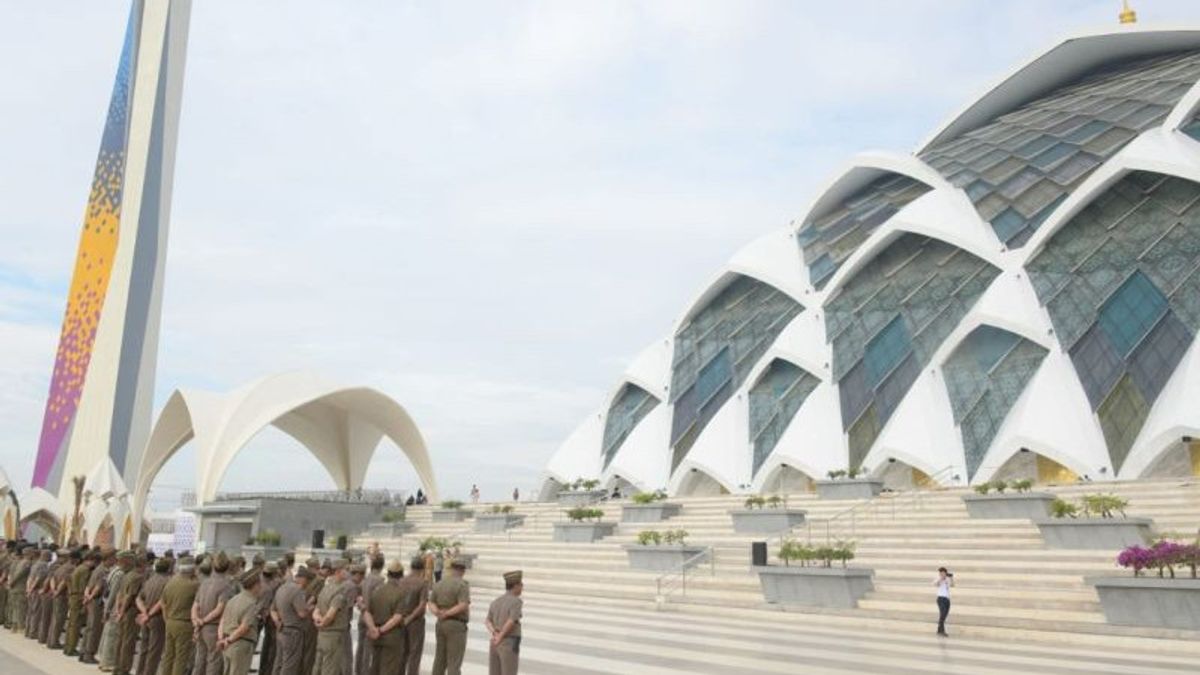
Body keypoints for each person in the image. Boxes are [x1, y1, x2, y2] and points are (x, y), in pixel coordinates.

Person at [362, 559, 405, 675]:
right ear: (401, 575)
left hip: (376, 636)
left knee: (374, 668)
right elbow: (397, 617)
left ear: (388, 574)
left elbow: (366, 612)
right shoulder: (400, 593)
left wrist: (373, 629)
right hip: (391, 635)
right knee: (389, 670)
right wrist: (381, 630)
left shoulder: (377, 590)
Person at [218, 570, 264, 675]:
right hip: (240, 644)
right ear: (255, 585)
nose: (261, 586)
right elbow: (244, 627)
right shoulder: (251, 604)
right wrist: (229, 640)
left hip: (227, 644)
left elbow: (223, 621)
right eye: (259, 583)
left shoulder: (233, 600)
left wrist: (222, 639)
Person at [271, 564, 314, 675]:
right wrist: (310, 608)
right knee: (290, 665)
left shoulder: (282, 588)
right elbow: (302, 614)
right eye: (307, 580)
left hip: (281, 630)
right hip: (293, 632)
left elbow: (273, 610)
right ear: (302, 578)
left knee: (279, 662)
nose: (307, 584)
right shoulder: (297, 590)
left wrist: (277, 621)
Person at [429, 560, 470, 675]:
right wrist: (447, 613)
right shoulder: (462, 585)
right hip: (456, 624)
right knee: (454, 662)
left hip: (441, 623)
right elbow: (463, 605)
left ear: (451, 569)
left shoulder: (440, 583)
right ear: (462, 571)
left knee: (439, 659)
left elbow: (431, 602)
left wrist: (437, 612)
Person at [312, 559, 350, 675]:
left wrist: (318, 621)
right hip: (334, 635)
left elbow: (316, 610)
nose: (348, 573)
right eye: (346, 570)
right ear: (338, 571)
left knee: (318, 667)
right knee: (330, 669)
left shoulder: (326, 588)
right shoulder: (340, 591)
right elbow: (330, 615)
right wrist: (323, 622)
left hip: (322, 635)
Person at [136, 556, 172, 675]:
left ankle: (139, 671)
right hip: (157, 619)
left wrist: (144, 612)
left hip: (146, 618)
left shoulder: (149, 581)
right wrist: (149, 614)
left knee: (144, 648)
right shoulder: (168, 582)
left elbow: (138, 599)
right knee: (154, 650)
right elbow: (162, 602)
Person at [485, 571, 523, 675]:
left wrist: (495, 634)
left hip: (494, 642)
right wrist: (501, 636)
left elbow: (487, 621)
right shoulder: (516, 601)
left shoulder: (496, 601)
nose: (522, 588)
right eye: (521, 585)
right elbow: (511, 620)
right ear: (515, 586)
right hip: (508, 642)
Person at [398, 557, 428, 675]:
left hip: (400, 620)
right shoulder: (422, 583)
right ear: (422, 569)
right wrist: (410, 618)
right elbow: (422, 604)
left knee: (402, 652)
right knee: (414, 653)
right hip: (415, 622)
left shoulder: (402, 581)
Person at [356, 556, 385, 675]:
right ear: (382, 566)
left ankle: (358, 670)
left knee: (360, 647)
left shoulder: (365, 579)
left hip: (362, 615)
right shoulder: (380, 580)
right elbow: (379, 600)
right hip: (372, 617)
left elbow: (359, 597)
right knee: (368, 650)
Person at [64, 550, 96, 657]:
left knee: (71, 623)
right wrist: (84, 601)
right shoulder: (85, 570)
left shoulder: (78, 568)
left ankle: (67, 647)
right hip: (78, 597)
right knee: (76, 625)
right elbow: (83, 586)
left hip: (73, 596)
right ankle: (71, 648)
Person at [935, 567, 954, 636]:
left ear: (945, 573)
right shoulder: (938, 578)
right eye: (940, 573)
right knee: (942, 614)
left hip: (947, 599)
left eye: (943, 573)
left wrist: (951, 578)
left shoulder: (948, 579)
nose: (941, 574)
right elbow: (936, 584)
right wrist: (941, 579)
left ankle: (939, 630)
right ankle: (942, 631)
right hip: (940, 599)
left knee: (944, 615)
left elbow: (952, 585)